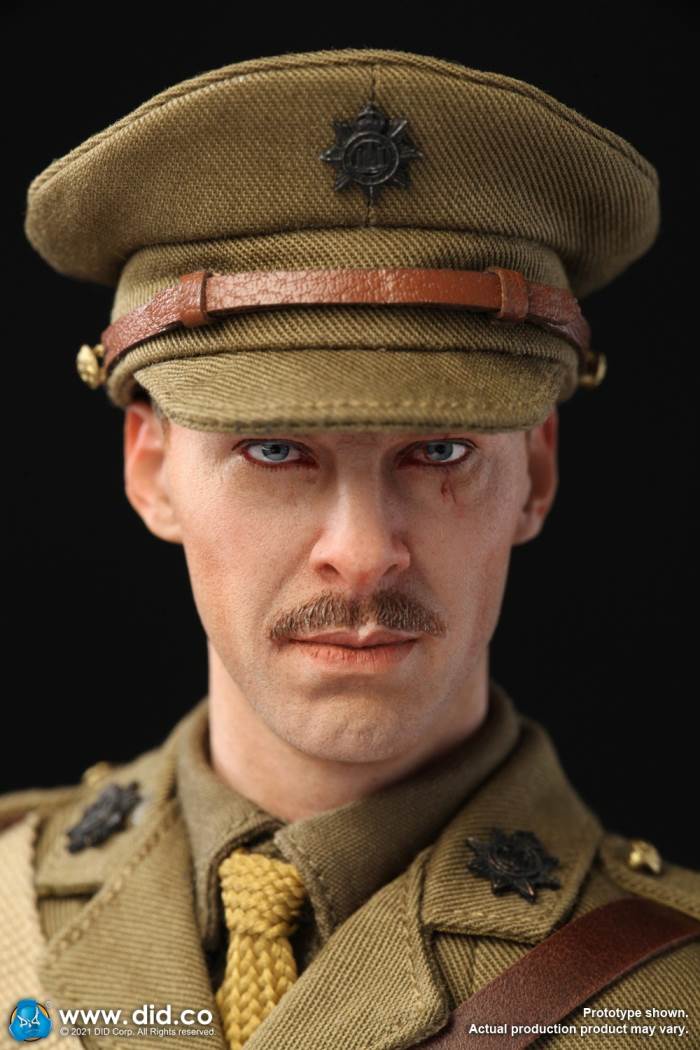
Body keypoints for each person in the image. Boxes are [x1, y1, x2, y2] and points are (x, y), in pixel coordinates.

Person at [2, 46, 698, 1050]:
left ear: (537, 471)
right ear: (150, 469)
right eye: (274, 449)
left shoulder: (671, 995)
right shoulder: (8, 911)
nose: (364, 552)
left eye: (441, 450)